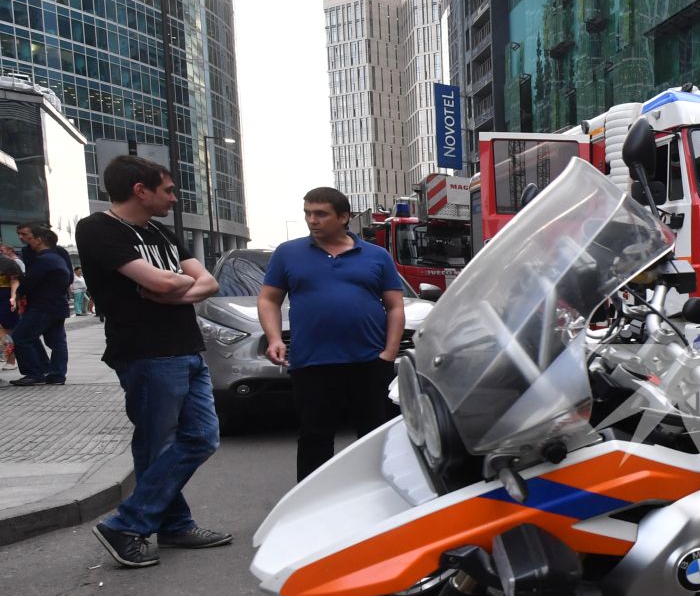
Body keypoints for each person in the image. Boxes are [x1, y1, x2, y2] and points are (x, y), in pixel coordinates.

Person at [75, 154, 227, 568]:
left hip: (186, 346)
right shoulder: (98, 229)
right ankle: (130, 523)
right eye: (168, 190)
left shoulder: (159, 232)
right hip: (145, 351)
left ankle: (165, 523)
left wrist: (173, 289)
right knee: (156, 444)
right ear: (140, 190)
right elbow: (163, 280)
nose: (174, 198)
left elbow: (209, 281)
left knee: (201, 437)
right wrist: (177, 283)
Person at [259, 187, 407, 480]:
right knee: (315, 437)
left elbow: (395, 307)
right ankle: (310, 506)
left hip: (368, 361)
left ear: (343, 217)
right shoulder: (288, 253)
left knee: (372, 437)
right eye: (307, 213)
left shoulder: (376, 256)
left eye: (320, 214)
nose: (312, 220)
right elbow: (269, 299)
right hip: (311, 362)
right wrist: (275, 338)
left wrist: (388, 354)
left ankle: (374, 497)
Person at [11, 224, 75, 385]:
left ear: (38, 239)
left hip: (43, 305)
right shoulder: (54, 257)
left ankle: (34, 373)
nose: (23, 238)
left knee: (21, 336)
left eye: (26, 235)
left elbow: (30, 281)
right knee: (56, 340)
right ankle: (55, 373)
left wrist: (20, 292)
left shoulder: (46, 258)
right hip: (56, 304)